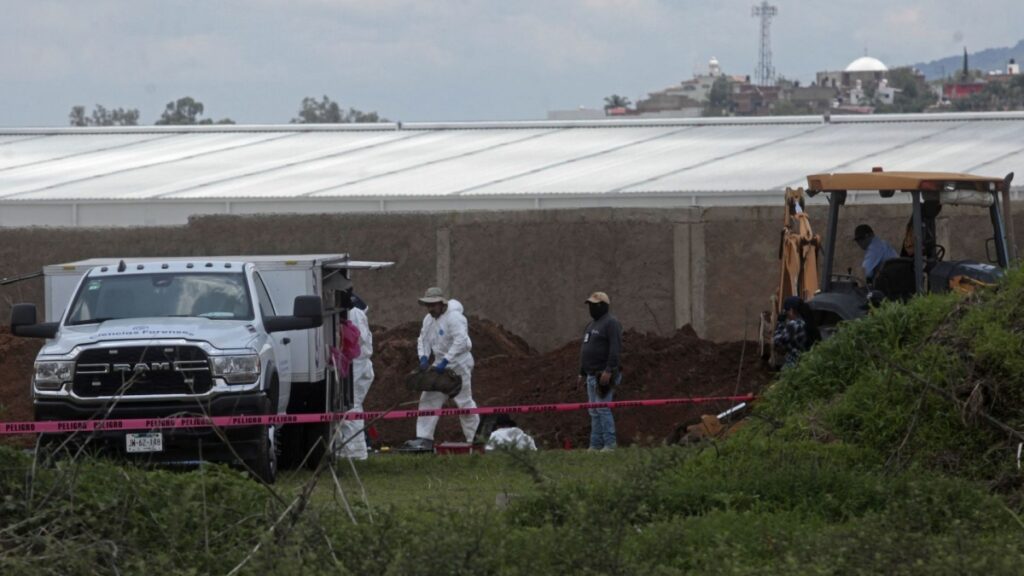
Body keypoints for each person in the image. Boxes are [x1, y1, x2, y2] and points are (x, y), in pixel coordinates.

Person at [404, 286, 479, 451]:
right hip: (438, 365)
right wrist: (423, 357)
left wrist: (446, 361)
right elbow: (423, 339)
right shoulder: (428, 319)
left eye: (433, 305)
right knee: (428, 399)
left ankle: (476, 440)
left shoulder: (455, 318)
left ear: (441, 303)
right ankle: (424, 439)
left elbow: (460, 342)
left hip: (458, 365)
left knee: (464, 402)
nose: (430, 308)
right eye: (427, 305)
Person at [578, 291, 623, 451]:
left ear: (603, 306)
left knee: (603, 408)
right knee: (594, 411)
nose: (591, 308)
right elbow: (585, 348)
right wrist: (582, 372)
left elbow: (615, 348)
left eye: (594, 305)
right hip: (591, 375)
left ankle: (610, 444)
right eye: (589, 305)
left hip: (604, 374)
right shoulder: (590, 325)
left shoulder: (611, 323)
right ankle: (595, 445)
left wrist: (609, 369)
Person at [335, 292, 375, 460]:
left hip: (358, 364)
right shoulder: (350, 313)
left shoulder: (354, 314)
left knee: (352, 407)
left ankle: (356, 453)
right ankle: (346, 451)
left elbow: (359, 340)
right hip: (355, 364)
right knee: (348, 408)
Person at [772, 296, 818, 368]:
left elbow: (777, 340)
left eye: (786, 311)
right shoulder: (807, 321)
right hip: (807, 363)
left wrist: (780, 322)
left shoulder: (795, 325)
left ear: (791, 310)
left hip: (795, 365)